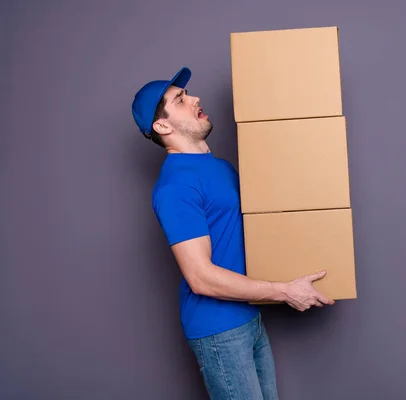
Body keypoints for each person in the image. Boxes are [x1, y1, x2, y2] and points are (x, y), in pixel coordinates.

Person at [131, 66, 335, 399]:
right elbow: (201, 277)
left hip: (249, 316)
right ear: (162, 125)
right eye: (180, 99)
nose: (194, 97)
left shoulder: (220, 167)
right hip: (218, 330)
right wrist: (285, 291)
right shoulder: (176, 187)